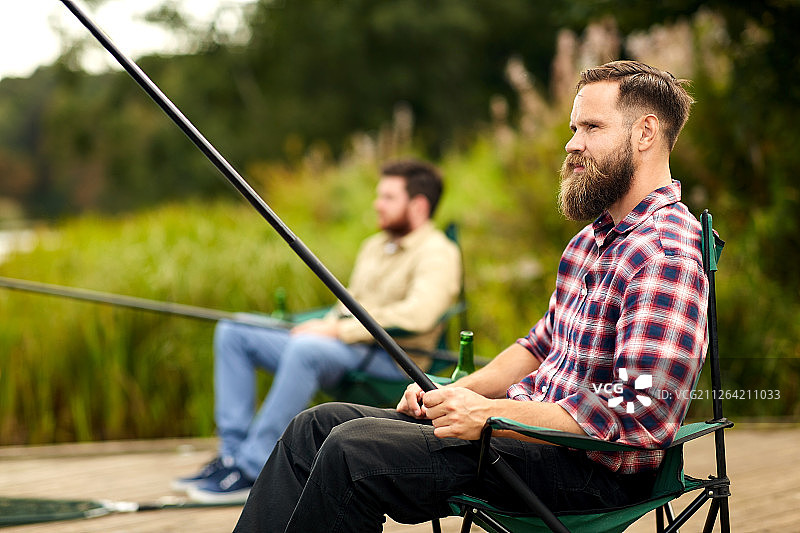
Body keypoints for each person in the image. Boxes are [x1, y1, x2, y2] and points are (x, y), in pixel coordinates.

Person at [233, 60, 708, 532]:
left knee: (352, 450)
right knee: (315, 427)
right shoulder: (592, 240)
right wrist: (455, 392)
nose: (572, 143)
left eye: (591, 127)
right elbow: (538, 346)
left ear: (645, 132)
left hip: (592, 470)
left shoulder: (663, 250)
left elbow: (643, 412)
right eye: (573, 127)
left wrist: (490, 414)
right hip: (522, 436)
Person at [174, 159, 462, 503]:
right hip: (343, 345)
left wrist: (337, 331)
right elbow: (346, 305)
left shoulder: (439, 252)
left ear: (418, 205)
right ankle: (233, 455)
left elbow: (419, 315)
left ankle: (253, 467)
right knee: (235, 330)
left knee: (306, 349)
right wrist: (320, 323)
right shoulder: (374, 246)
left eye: (387, 197)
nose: (376, 204)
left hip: (393, 360)